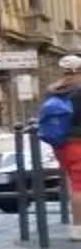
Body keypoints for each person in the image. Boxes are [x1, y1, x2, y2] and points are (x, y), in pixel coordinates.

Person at [41, 57, 81, 209]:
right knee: (79, 188)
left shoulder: (55, 91)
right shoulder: (79, 91)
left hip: (60, 144)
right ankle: (78, 230)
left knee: (73, 183)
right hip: (78, 143)